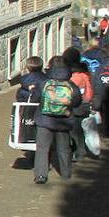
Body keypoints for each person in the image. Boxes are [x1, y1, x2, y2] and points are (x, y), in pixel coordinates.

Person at [33, 56, 82, 184]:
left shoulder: (44, 83)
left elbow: (35, 98)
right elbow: (77, 102)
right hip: (64, 120)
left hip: (44, 120)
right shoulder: (71, 85)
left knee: (42, 148)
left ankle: (41, 175)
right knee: (64, 148)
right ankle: (65, 173)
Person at [62, 47, 95, 161]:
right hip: (85, 104)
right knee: (82, 129)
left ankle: (79, 151)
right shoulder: (85, 71)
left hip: (75, 106)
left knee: (74, 131)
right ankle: (81, 150)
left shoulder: (72, 75)